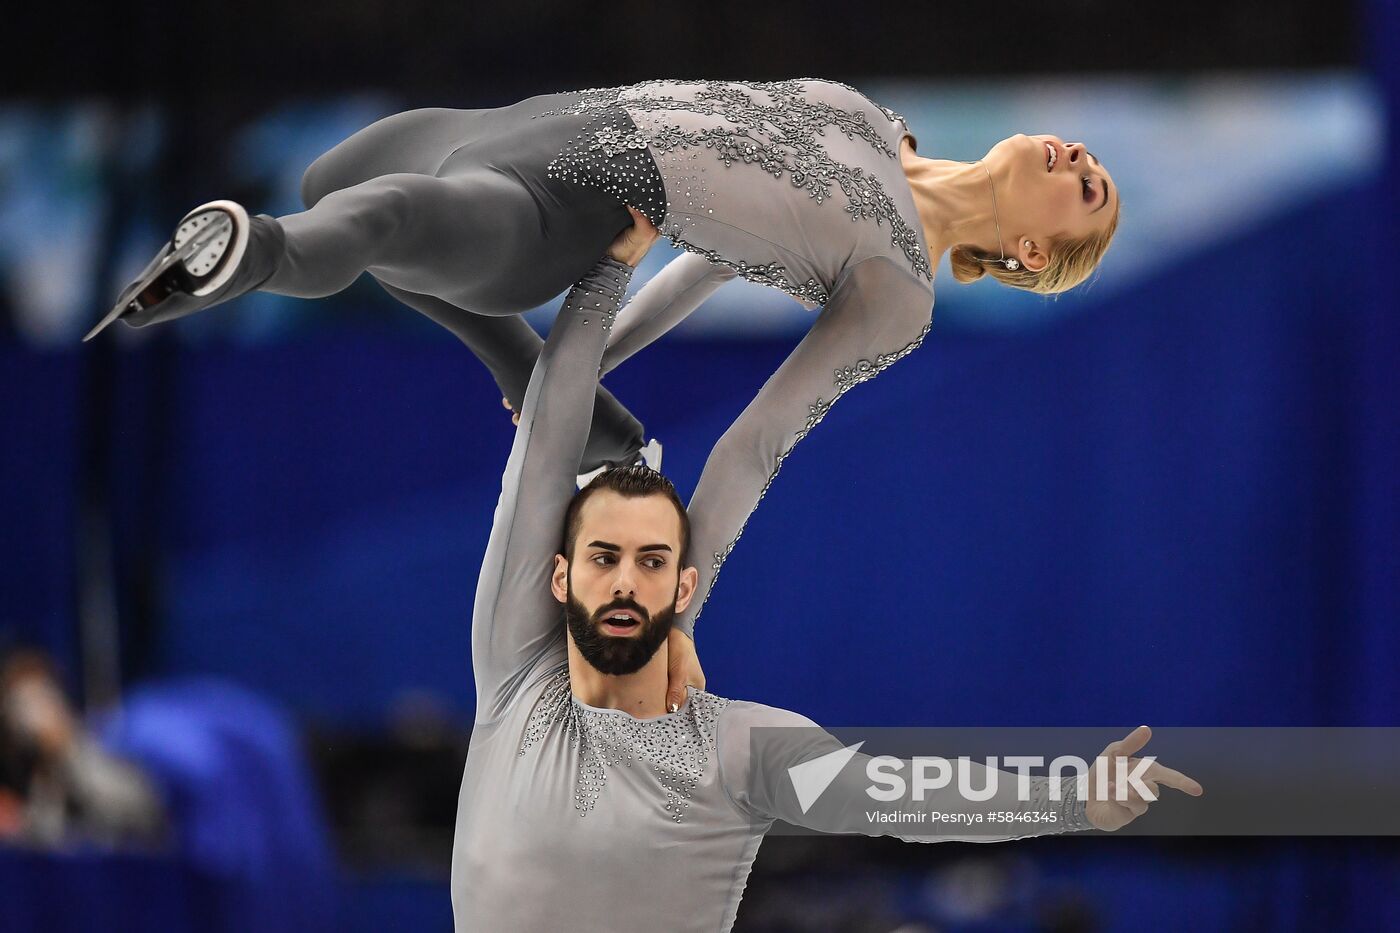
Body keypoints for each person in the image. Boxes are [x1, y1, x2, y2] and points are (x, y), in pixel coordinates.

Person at [84, 77, 1120, 638]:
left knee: (383, 219)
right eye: (1081, 155)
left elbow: (756, 444)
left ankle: (244, 253)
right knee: (333, 175)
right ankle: (531, 379)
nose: (1074, 157)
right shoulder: (864, 115)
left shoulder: (895, 292)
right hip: (535, 124)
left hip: (562, 208)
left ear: (1030, 255)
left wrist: (675, 613)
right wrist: (581, 371)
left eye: (1087, 189)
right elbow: (711, 260)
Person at [447, 208, 1194, 932]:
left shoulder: (741, 752)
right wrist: (610, 273)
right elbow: (545, 443)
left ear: (684, 587)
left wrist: (1072, 802)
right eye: (603, 558)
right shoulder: (515, 673)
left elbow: (900, 799)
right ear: (557, 577)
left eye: (651, 561)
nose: (622, 581)